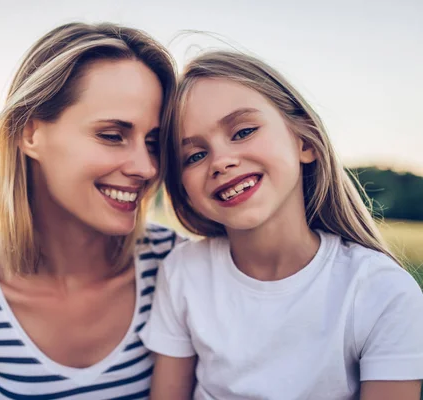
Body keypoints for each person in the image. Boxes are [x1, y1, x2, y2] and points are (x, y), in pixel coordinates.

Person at [0, 22, 184, 399]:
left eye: (152, 142)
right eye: (111, 135)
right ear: (30, 133)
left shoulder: (179, 265)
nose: (147, 167)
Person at [140, 50, 423, 399]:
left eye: (243, 131)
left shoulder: (382, 293)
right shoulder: (183, 273)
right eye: (194, 156)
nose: (221, 161)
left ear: (304, 141)